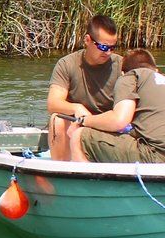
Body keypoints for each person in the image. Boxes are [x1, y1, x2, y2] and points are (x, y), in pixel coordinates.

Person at [66, 48, 165, 164]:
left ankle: (92, 194)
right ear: (156, 70)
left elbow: (119, 120)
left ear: (123, 72)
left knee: (79, 136)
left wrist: (83, 121)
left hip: (164, 158)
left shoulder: (131, 76)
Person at [46, 14, 121, 160]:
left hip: (107, 126)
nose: (108, 52)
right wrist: (76, 108)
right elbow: (52, 103)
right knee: (57, 119)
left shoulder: (121, 66)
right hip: (76, 124)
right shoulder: (67, 64)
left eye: (112, 47)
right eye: (103, 47)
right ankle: (62, 171)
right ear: (87, 40)